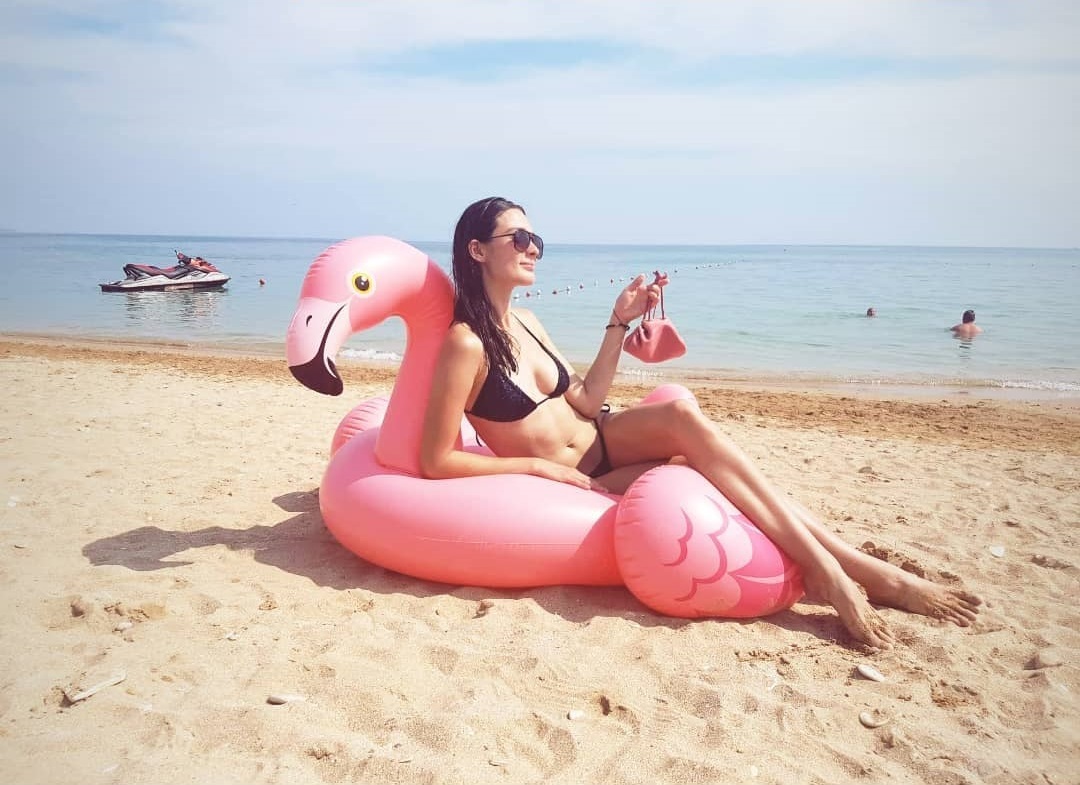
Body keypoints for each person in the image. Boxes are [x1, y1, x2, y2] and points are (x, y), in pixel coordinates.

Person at [420, 197, 981, 649]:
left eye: (536, 239)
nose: (533, 249)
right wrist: (537, 468)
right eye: (519, 238)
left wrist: (618, 321)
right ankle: (848, 574)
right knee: (700, 464)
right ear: (477, 250)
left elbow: (587, 402)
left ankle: (842, 569)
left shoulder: (528, 321)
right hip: (582, 473)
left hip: (602, 435)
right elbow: (436, 459)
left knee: (683, 415)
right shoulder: (465, 345)